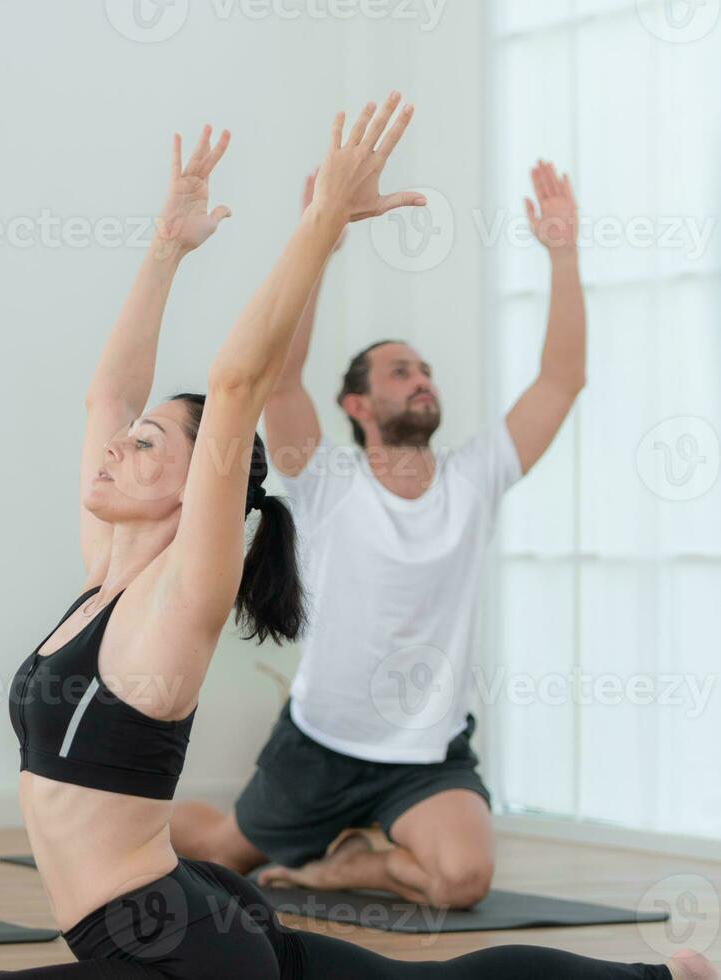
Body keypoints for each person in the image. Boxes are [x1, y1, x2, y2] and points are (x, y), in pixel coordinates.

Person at [0, 96, 708, 980]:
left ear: (202, 488)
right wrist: (165, 249)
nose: (118, 444)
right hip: (189, 903)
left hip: (171, 948)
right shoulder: (105, 577)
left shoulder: (184, 593)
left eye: (148, 443)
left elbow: (239, 384)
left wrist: (321, 223)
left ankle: (666, 974)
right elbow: (107, 398)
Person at [170, 159, 586, 910]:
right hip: (320, 745)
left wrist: (562, 253)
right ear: (357, 405)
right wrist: (319, 241)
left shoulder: (475, 478)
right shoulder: (325, 480)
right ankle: (114, 813)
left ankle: (345, 866)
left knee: (462, 882)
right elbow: (281, 378)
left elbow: (560, 382)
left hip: (427, 756)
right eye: (400, 372)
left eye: (424, 370)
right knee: (218, 853)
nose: (421, 378)